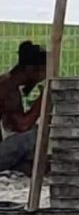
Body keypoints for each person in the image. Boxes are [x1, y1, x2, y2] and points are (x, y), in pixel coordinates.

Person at [0, 41, 47, 173]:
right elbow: (23, 125)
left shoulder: (8, 83)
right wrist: (43, 98)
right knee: (35, 136)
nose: (42, 78)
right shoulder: (8, 89)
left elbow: (11, 125)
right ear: (30, 69)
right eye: (43, 72)